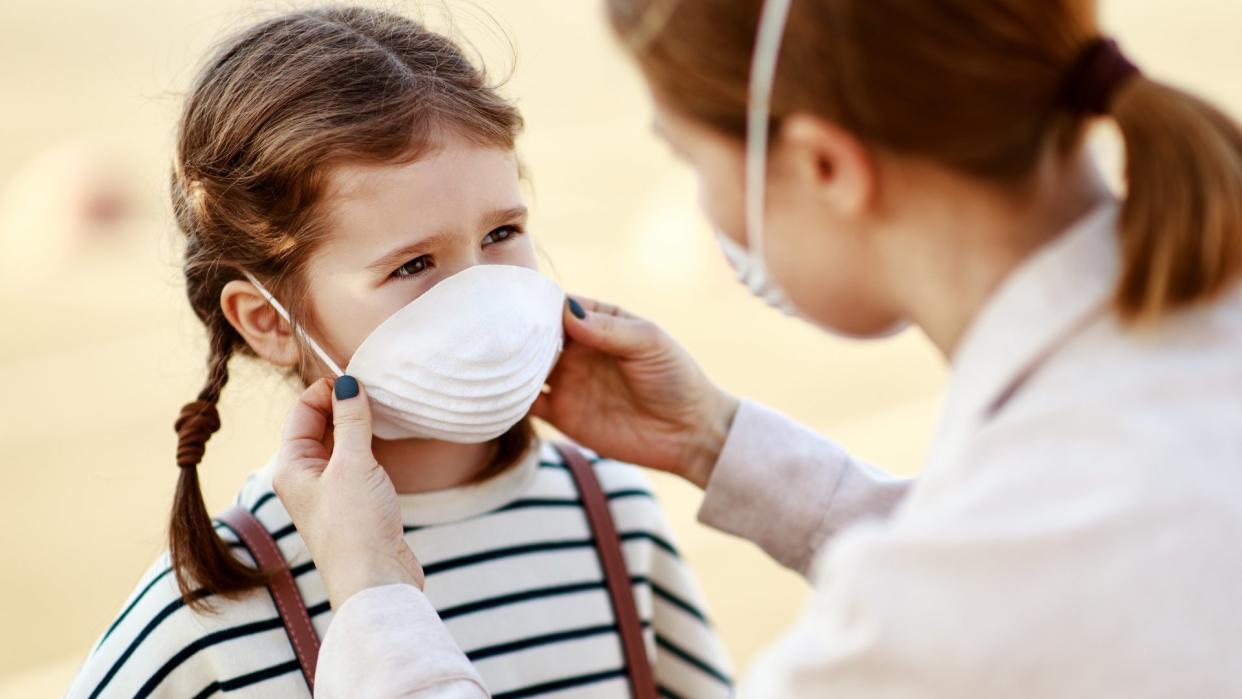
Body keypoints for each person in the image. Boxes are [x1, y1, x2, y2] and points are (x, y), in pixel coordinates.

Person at [272, 0, 1242, 697]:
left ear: (824, 165)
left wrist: (369, 603)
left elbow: (1000, 587)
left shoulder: (968, 594)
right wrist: (718, 443)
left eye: (694, 159)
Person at [66, 7, 733, 698]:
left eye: (502, 231)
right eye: (413, 264)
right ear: (268, 319)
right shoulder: (205, 617)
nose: (481, 293)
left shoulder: (614, 515)